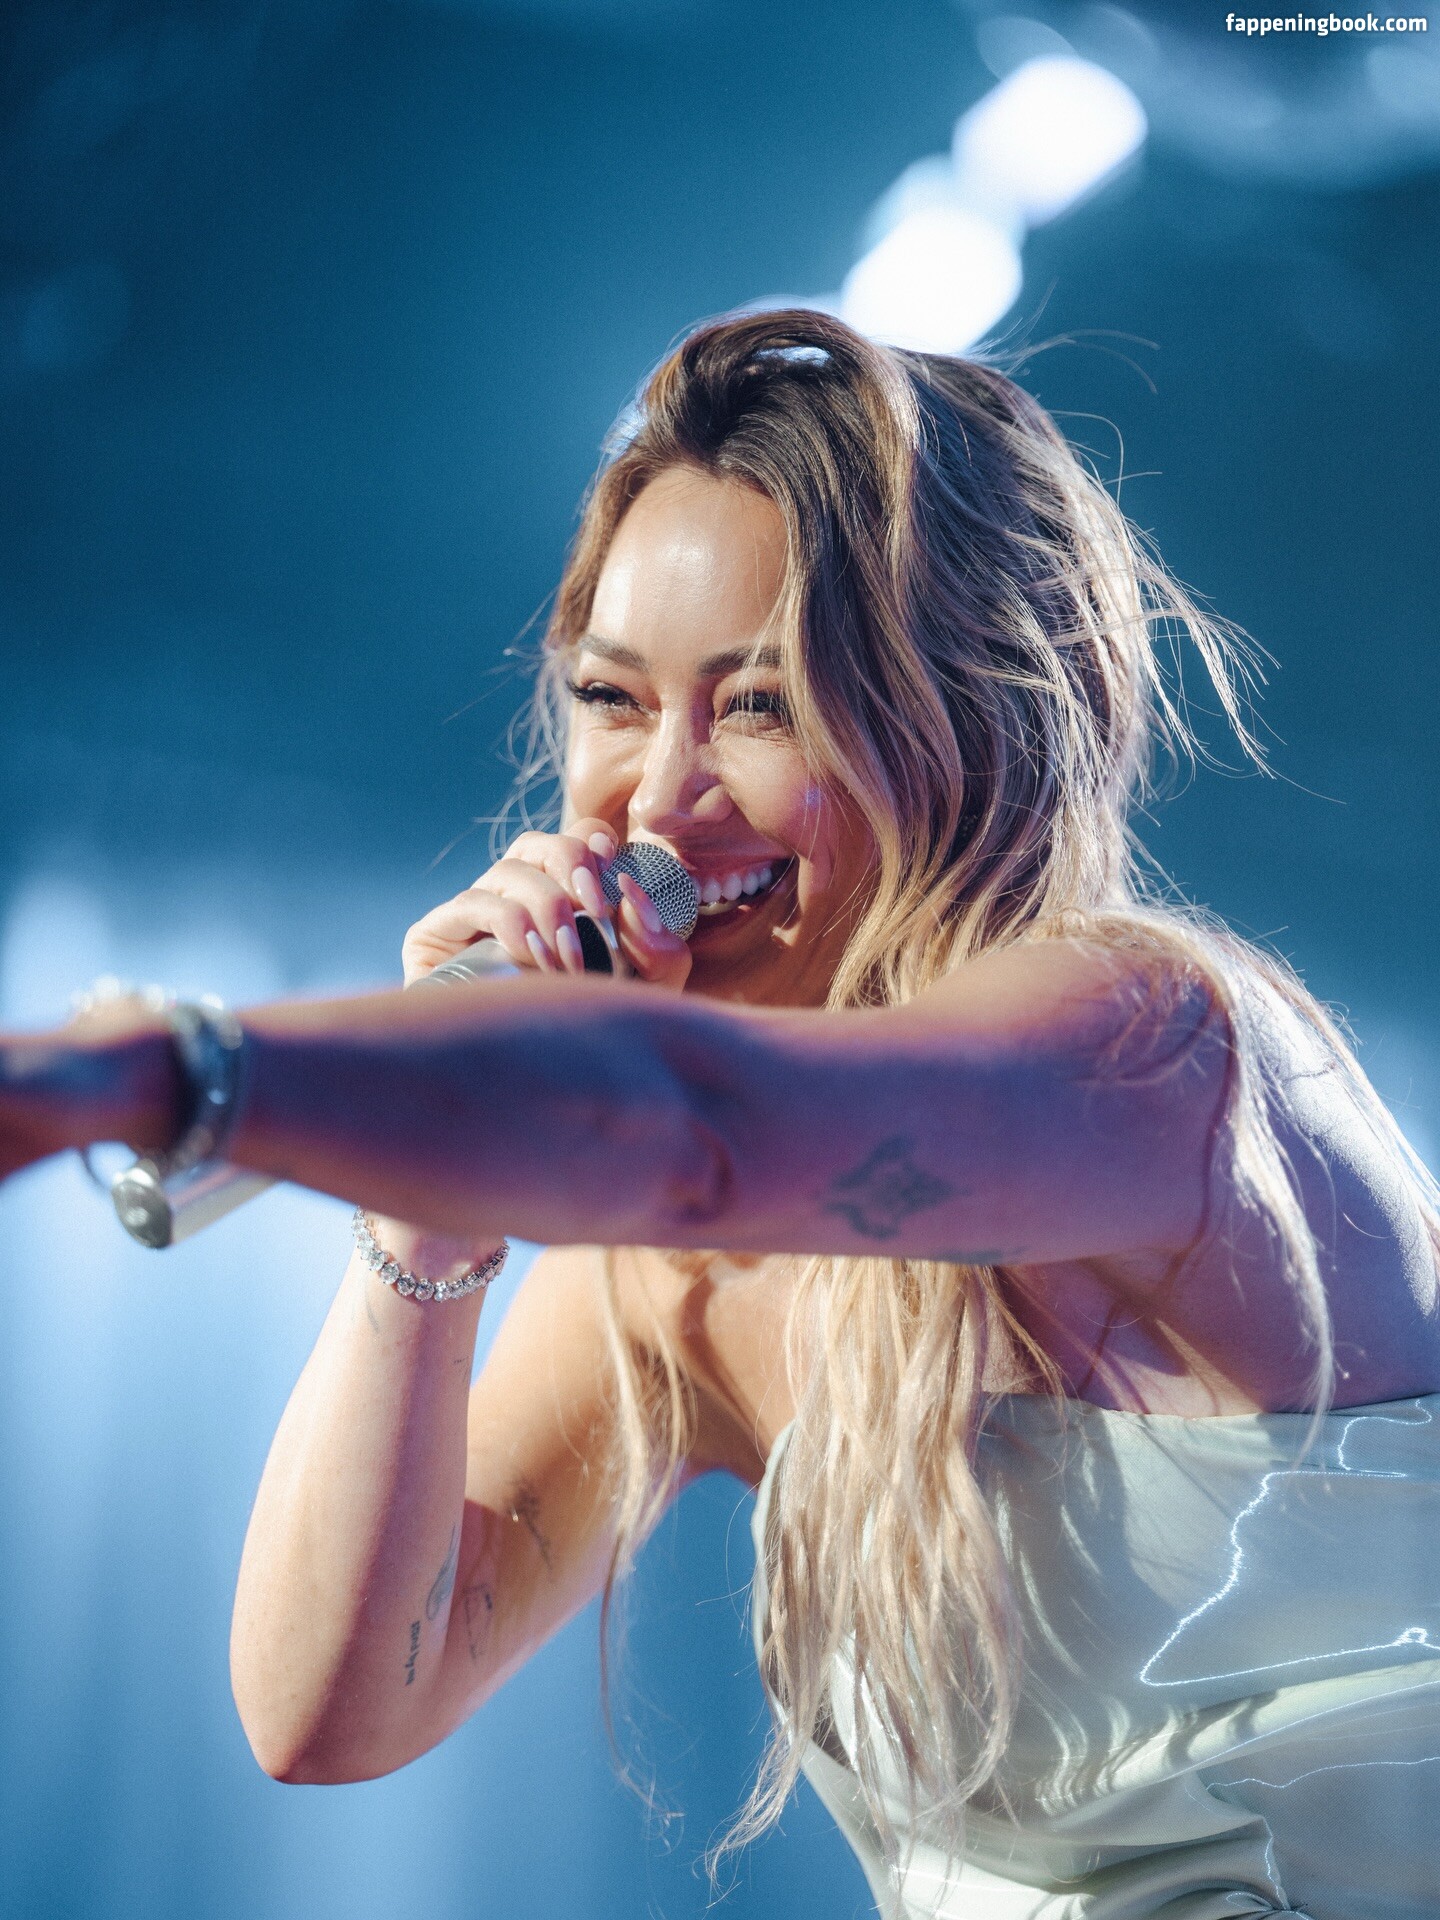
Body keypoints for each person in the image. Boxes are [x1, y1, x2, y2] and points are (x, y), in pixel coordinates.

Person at [3, 311, 1439, 1918]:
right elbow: (327, 1713)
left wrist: (138, 1077)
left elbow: (702, 1136)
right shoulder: (664, 1268)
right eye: (613, 700)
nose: (657, 798)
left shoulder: (1153, 1049)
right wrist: (427, 1211)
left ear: (974, 713)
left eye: (760, 707)